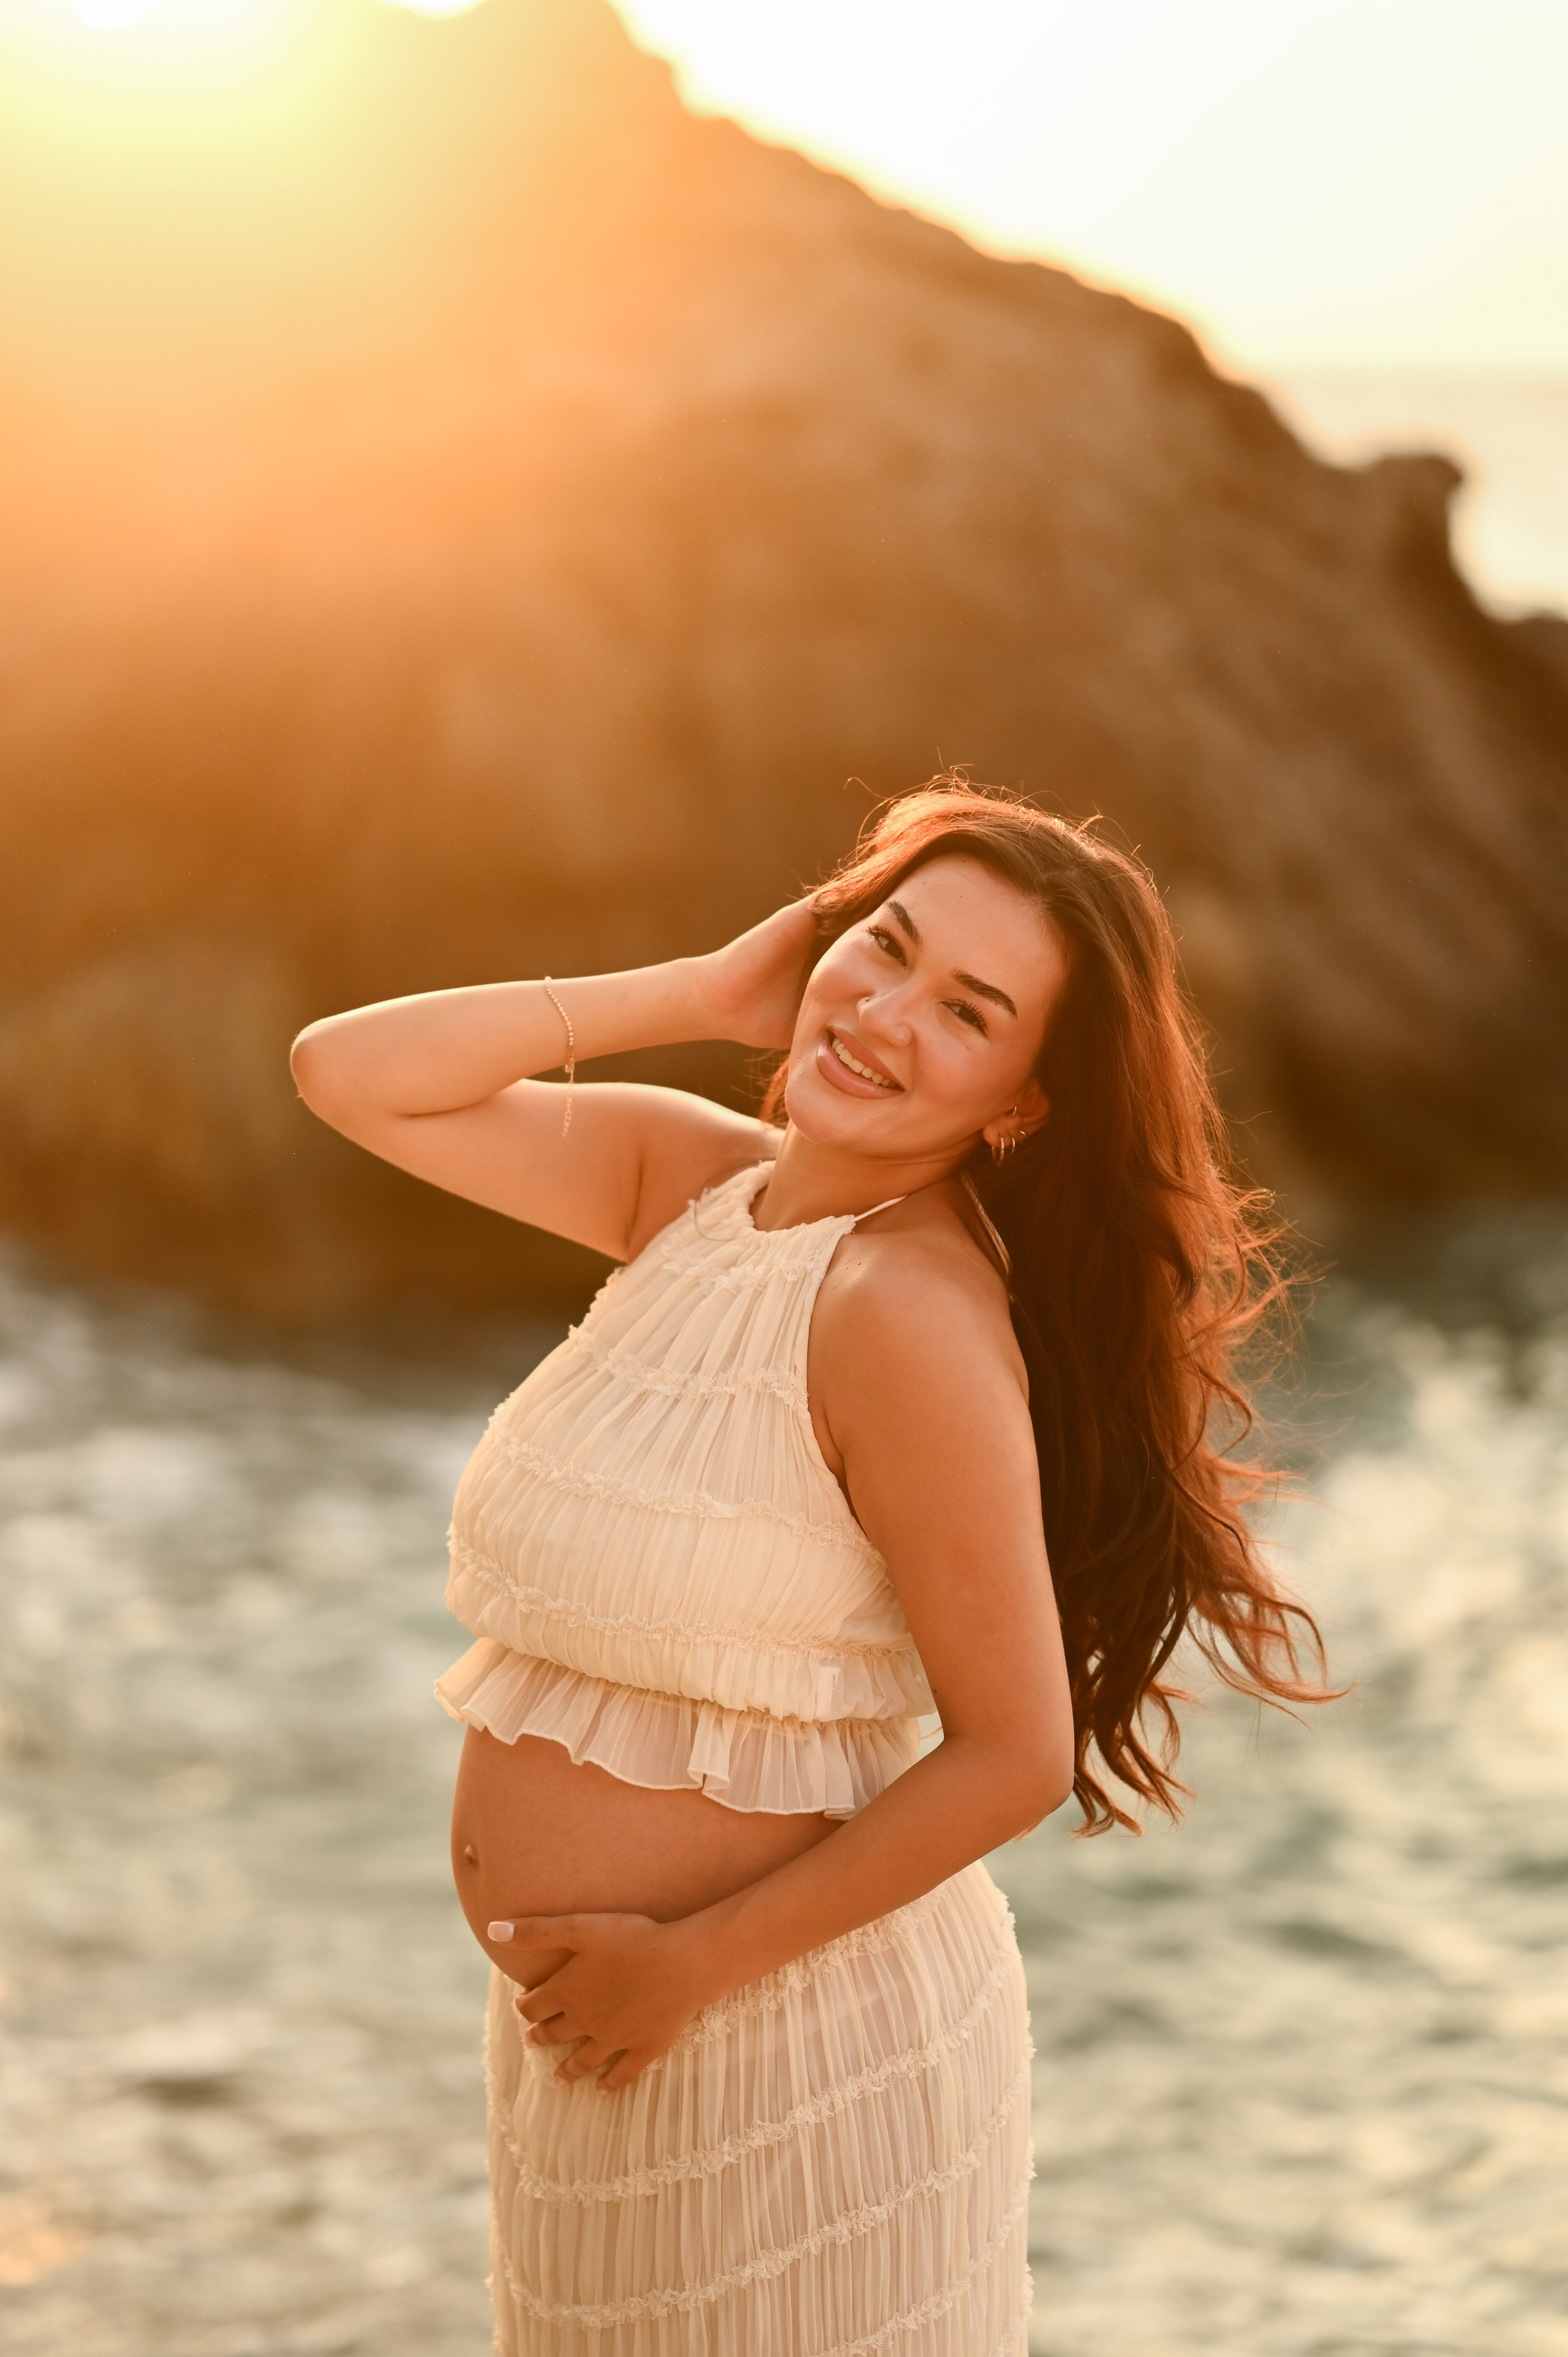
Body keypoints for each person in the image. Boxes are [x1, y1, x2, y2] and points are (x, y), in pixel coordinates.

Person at [291, 780, 1324, 2355]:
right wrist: (701, 991)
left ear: (1021, 1101)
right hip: (606, 2053)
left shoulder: (903, 1311)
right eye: (885, 947)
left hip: (782, 2056)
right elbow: (348, 1073)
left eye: (967, 1011)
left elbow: (1013, 1749)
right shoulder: (689, 1185)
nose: (888, 1014)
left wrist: (684, 1970)